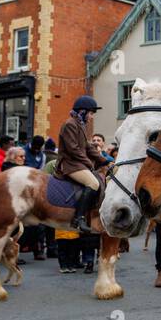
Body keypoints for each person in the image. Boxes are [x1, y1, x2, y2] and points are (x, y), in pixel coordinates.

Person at [53, 95, 104, 232]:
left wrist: (104, 160)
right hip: (69, 164)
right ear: (82, 112)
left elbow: (87, 147)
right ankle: (78, 217)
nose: (92, 117)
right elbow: (73, 149)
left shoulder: (80, 125)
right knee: (93, 183)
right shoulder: (70, 124)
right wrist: (89, 163)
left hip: (77, 163)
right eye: (91, 113)